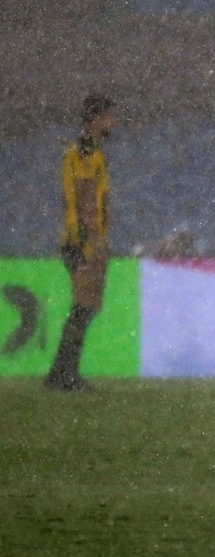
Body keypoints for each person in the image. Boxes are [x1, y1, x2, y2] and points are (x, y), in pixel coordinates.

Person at [44, 94, 116, 391]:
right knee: (84, 307)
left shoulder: (92, 151)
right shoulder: (83, 152)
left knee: (85, 307)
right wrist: (85, 242)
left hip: (88, 241)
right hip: (83, 242)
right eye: (110, 117)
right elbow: (81, 199)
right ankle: (64, 375)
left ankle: (61, 373)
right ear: (96, 119)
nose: (113, 122)